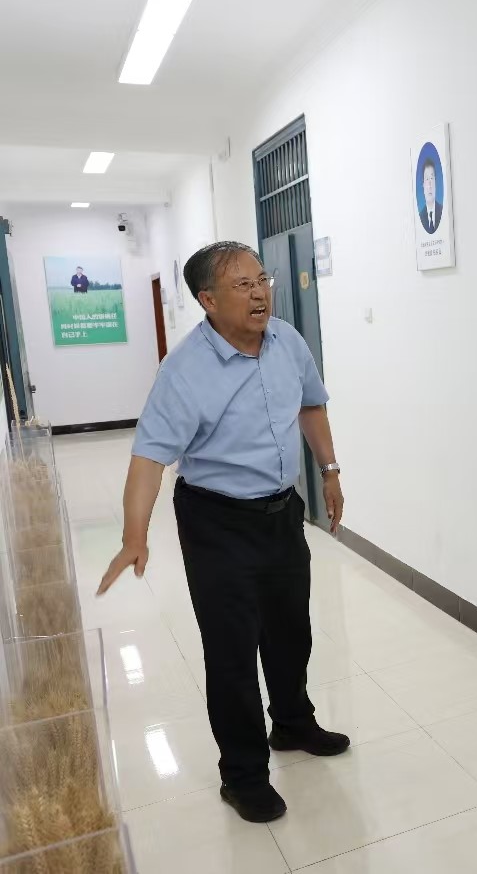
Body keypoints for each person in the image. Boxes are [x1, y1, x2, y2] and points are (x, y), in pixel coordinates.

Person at [96, 241, 351, 824]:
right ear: (208, 300)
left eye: (262, 280)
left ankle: (293, 723)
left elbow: (311, 406)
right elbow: (149, 458)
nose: (260, 293)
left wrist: (330, 470)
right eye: (243, 285)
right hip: (216, 521)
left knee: (291, 631)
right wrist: (135, 536)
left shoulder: (288, 342)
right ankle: (242, 774)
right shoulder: (184, 371)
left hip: (281, 512)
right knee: (232, 650)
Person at [419, 157, 444, 234]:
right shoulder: (420, 218)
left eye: (431, 178)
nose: (429, 185)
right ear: (423, 185)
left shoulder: (443, 211)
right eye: (427, 179)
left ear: (435, 183)